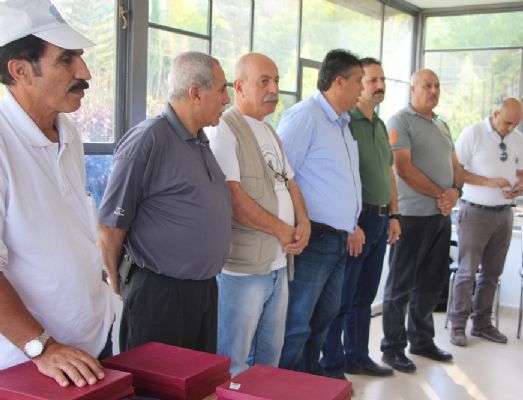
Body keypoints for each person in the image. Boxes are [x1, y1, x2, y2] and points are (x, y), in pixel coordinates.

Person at [0, 0, 115, 388]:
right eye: (67, 59)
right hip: (31, 365)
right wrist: (41, 348)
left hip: (92, 344)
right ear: (20, 71)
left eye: (80, 56)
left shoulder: (69, 132)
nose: (85, 73)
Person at [98, 52, 232, 354]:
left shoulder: (199, 141)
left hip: (202, 290)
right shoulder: (148, 139)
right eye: (222, 89)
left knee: (198, 378)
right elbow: (110, 227)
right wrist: (117, 279)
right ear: (195, 93)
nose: (227, 99)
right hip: (160, 294)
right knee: (154, 381)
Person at [205, 53, 310, 376]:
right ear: (238, 87)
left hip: (279, 265)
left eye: (276, 80)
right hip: (244, 271)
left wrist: (304, 223)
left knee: (269, 363)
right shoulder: (225, 129)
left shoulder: (269, 130)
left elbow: (290, 183)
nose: (274, 89)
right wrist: (283, 229)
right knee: (234, 365)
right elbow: (233, 200)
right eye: (264, 82)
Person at [277, 49, 363, 376]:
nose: (362, 88)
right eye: (358, 81)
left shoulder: (342, 123)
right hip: (313, 240)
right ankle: (283, 387)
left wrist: (352, 223)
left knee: (323, 320)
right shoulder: (305, 117)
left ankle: (310, 385)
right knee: (297, 323)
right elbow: (280, 175)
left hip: (339, 239)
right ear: (339, 82)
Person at [321, 58, 399, 379]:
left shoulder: (379, 125)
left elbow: (388, 172)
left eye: (382, 80)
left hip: (380, 220)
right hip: (357, 221)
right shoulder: (346, 122)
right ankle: (332, 364)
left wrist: (394, 214)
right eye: (371, 80)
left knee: (365, 296)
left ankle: (358, 357)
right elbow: (339, 176)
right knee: (342, 298)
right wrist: (350, 223)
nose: (379, 86)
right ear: (356, 84)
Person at [381, 68, 463, 373]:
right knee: (400, 286)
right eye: (427, 85)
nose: (434, 91)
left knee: (430, 284)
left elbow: (456, 165)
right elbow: (402, 168)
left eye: (437, 85)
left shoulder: (441, 124)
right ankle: (392, 348)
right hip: (411, 217)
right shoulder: (399, 121)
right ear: (412, 89)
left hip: (440, 217)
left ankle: (422, 341)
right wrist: (442, 194)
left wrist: (455, 192)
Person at [448, 98, 523, 347]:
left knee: (492, 273)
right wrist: (490, 182)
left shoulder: (517, 139)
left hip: (504, 214)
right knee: (467, 271)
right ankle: (458, 325)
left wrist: (520, 186)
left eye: (516, 124)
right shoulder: (473, 133)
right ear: (495, 114)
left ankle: (482, 324)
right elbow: (456, 170)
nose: (511, 128)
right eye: (508, 123)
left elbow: (522, 174)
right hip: (475, 213)